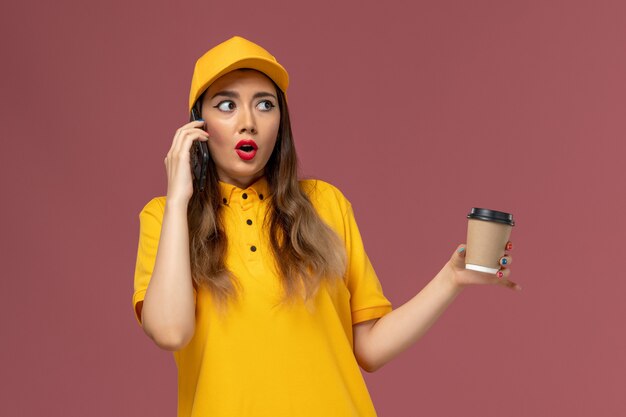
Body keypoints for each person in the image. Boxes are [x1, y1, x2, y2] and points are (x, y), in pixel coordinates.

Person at [132, 35, 520, 417]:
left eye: (265, 105)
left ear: (280, 122)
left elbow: (368, 347)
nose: (248, 122)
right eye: (227, 105)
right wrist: (180, 197)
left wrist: (450, 279)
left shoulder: (325, 204)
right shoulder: (165, 219)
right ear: (198, 125)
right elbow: (170, 331)